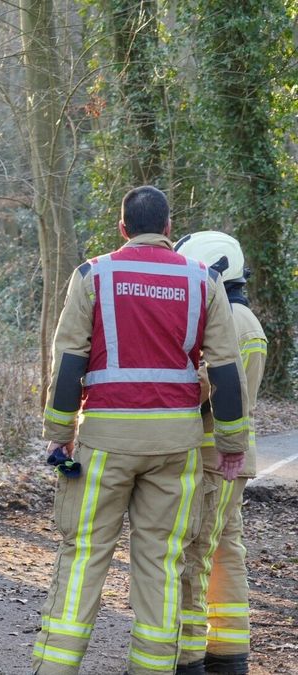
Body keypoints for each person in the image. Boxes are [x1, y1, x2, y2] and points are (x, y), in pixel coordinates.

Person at [33, 187, 249, 675]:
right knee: (162, 563)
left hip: (106, 443)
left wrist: (59, 431)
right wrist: (232, 446)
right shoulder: (204, 281)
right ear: (169, 228)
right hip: (177, 446)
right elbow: (226, 371)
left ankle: (56, 668)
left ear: (122, 227)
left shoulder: (93, 275)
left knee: (84, 555)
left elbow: (69, 361)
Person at [174, 231, 267, 675]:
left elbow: (208, 389)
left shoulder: (227, 319)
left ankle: (188, 654)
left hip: (213, 456)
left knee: (194, 553)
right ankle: (228, 652)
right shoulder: (248, 318)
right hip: (234, 456)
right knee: (226, 549)